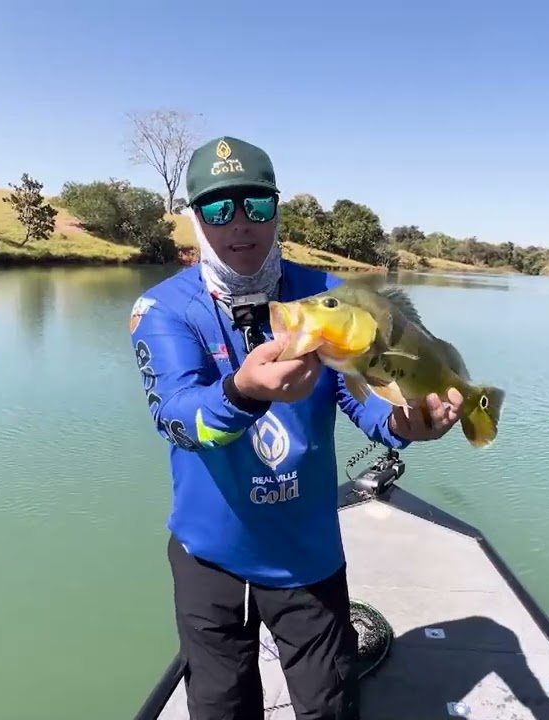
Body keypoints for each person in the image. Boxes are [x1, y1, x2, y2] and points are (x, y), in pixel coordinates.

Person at [127, 135, 463, 720]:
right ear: (195, 217)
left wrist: (407, 423)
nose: (240, 224)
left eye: (256, 205)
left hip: (305, 551)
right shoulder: (164, 310)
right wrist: (243, 392)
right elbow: (177, 420)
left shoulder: (329, 296)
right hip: (210, 551)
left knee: (328, 707)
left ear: (277, 208)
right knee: (220, 707)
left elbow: (364, 401)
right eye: (217, 208)